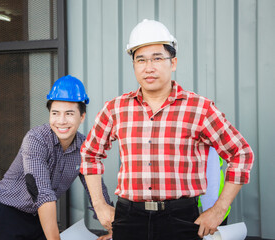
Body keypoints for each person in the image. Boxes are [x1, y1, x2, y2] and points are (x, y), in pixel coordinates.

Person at [80, 19, 254, 240]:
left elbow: (241, 153)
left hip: (180, 219)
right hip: (129, 218)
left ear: (173, 63)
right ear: (133, 64)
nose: (148, 67)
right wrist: (99, 205)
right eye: (140, 60)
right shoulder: (115, 108)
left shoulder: (199, 108)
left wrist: (220, 209)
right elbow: (90, 154)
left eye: (157, 58)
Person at [0, 75, 112, 240]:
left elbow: (98, 192)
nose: (61, 121)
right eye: (55, 113)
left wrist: (114, 230)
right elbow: (41, 191)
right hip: (6, 216)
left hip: (38, 218)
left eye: (69, 113)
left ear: (82, 116)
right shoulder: (36, 139)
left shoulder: (84, 146)